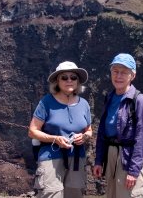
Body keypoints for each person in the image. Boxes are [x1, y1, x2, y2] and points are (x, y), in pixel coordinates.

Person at [28, 61, 92, 198]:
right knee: (51, 194)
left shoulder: (84, 104)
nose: (69, 80)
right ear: (57, 81)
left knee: (75, 194)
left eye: (73, 77)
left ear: (78, 81)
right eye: (64, 77)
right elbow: (32, 131)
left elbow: (89, 130)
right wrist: (55, 139)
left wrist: (85, 137)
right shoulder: (47, 102)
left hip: (76, 158)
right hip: (50, 157)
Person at [93, 53, 143, 198]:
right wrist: (99, 160)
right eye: (115, 71)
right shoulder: (110, 97)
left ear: (132, 76)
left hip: (129, 158)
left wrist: (133, 171)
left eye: (124, 72)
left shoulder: (139, 100)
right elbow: (103, 132)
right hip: (112, 157)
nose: (118, 76)